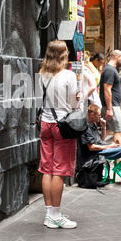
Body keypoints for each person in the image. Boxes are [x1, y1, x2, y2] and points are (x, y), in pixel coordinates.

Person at [39, 40, 81, 229]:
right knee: (60, 169)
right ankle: (56, 214)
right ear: (64, 54)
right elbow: (74, 105)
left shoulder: (41, 75)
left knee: (47, 168)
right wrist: (77, 98)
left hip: (45, 123)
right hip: (62, 125)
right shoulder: (68, 75)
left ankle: (49, 214)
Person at [100, 50, 121, 144]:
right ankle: (119, 157)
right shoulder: (110, 70)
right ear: (117, 57)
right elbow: (107, 89)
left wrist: (119, 103)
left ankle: (98, 150)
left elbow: (113, 89)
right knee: (119, 131)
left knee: (108, 130)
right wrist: (110, 108)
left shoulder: (111, 69)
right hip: (112, 106)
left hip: (114, 105)